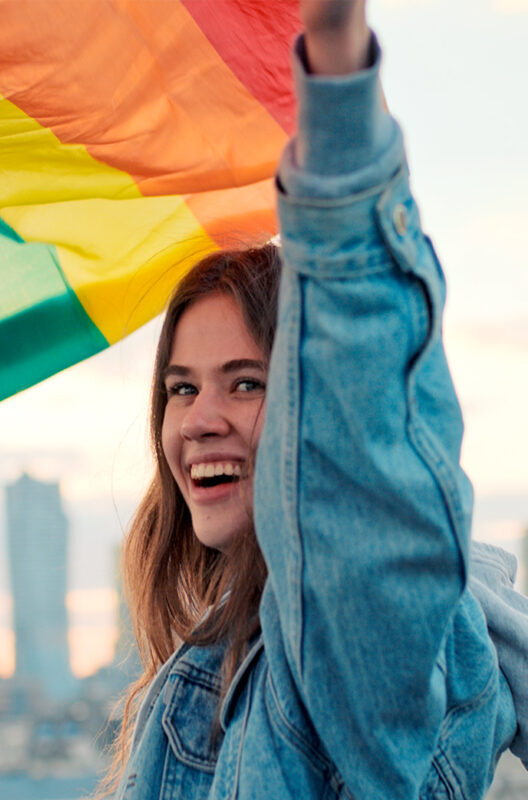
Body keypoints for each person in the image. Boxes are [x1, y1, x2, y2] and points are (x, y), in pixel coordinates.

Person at [103, 2, 528, 798]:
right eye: (181, 388)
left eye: (246, 382)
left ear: (314, 416)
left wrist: (335, 75)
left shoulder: (359, 636)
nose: (199, 419)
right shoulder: (216, 662)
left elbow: (365, 437)